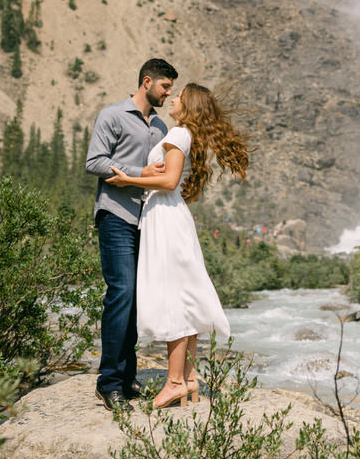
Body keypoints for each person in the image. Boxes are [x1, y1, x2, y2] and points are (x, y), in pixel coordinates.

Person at [105, 83, 248, 409]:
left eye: (180, 96)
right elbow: (180, 186)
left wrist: (129, 180)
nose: (174, 98)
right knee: (182, 295)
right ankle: (189, 377)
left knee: (173, 297)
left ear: (190, 106)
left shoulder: (179, 134)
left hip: (166, 221)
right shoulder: (186, 136)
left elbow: (169, 182)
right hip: (171, 217)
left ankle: (173, 383)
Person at [85, 58, 178, 410]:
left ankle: (126, 376)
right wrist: (137, 170)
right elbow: (94, 162)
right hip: (115, 215)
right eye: (165, 87)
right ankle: (108, 381)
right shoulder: (112, 115)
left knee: (136, 298)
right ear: (147, 81)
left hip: (147, 222)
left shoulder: (161, 126)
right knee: (121, 292)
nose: (169, 94)